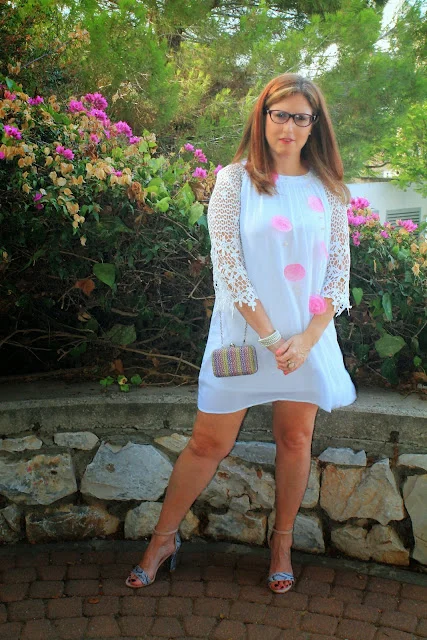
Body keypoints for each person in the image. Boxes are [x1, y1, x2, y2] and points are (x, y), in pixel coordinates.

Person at [125, 73, 357, 594]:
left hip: (305, 343)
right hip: (244, 339)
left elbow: (336, 277)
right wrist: (273, 339)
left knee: (295, 439)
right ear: (263, 116)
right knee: (208, 442)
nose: (289, 126)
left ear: (315, 125)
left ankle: (281, 545)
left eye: (301, 117)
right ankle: (163, 539)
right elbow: (229, 269)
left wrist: (305, 340)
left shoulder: (330, 191)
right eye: (280, 114)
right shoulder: (234, 181)